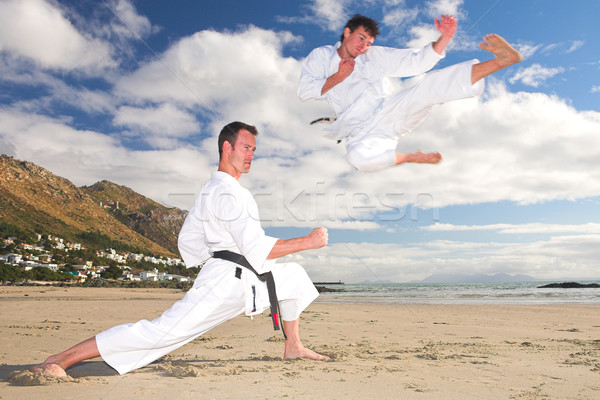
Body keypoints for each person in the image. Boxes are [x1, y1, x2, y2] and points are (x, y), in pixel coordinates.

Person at [31, 121, 330, 377]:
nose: (252, 155)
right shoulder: (226, 192)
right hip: (226, 281)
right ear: (227, 148)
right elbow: (254, 248)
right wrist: (308, 241)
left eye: (253, 149)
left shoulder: (215, 189)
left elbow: (188, 238)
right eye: (246, 148)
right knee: (161, 333)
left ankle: (293, 346)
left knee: (294, 277)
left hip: (242, 275)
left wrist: (215, 252)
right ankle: (61, 359)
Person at [298, 14, 522, 172]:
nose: (363, 46)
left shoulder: (373, 56)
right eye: (361, 38)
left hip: (389, 107)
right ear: (347, 32)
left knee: (430, 86)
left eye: (368, 42)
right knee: (357, 159)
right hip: (361, 131)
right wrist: (340, 76)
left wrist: (445, 38)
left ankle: (503, 60)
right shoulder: (321, 56)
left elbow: (416, 62)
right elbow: (305, 91)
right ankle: (411, 156)